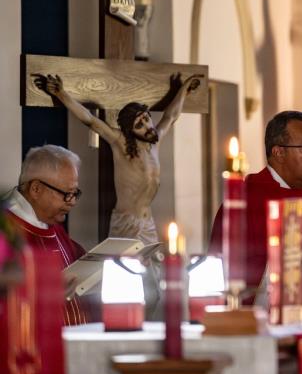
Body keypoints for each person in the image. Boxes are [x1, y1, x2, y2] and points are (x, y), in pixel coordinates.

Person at [209, 110, 302, 321]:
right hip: (279, 327)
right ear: (278, 153)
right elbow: (222, 272)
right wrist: (279, 262)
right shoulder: (245, 202)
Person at [34, 73, 202, 244]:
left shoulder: (155, 141)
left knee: (154, 269)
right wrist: (61, 93)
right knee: (124, 268)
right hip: (126, 223)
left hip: (147, 222)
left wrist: (184, 89)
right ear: (131, 132)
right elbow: (90, 120)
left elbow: (171, 116)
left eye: (146, 119)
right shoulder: (120, 142)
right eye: (139, 125)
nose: (146, 126)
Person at [4, 144, 93, 325]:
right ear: (36, 189)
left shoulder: (52, 225)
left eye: (75, 193)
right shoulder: (5, 230)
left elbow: (83, 265)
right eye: (66, 194)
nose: (73, 202)